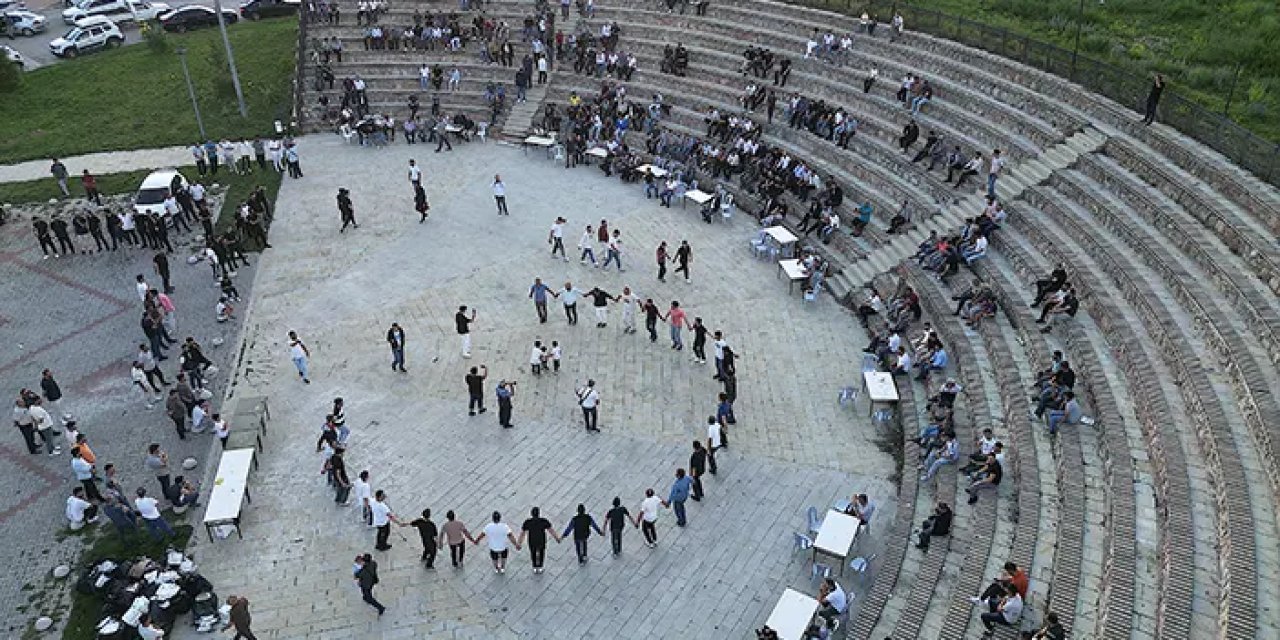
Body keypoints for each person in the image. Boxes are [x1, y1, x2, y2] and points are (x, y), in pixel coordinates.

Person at [518, 506, 560, 573]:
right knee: (542, 552)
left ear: (531, 514)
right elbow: (551, 530)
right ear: (539, 513)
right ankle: (540, 566)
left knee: (533, 552)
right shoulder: (543, 521)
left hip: (532, 540)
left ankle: (534, 566)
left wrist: (519, 543)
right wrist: (557, 538)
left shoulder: (528, 522)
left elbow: (523, 533)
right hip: (541, 540)